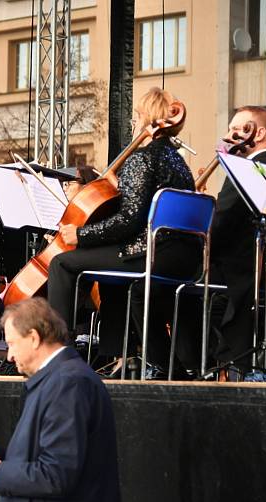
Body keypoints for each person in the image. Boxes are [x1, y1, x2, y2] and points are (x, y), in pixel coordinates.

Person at [47, 87, 199, 377]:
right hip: (184, 259)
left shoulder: (141, 158)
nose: (134, 124)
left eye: (137, 117)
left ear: (147, 119)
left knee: (62, 263)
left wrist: (81, 235)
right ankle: (121, 357)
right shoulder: (179, 163)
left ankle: (58, 356)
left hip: (150, 254)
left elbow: (128, 221)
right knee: (111, 275)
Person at [0, 298, 124, 502]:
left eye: (12, 344)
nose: (9, 356)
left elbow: (58, 474)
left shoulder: (68, 384)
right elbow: (48, 458)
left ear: (34, 338)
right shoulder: (61, 380)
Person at [207, 106, 266, 371]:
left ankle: (194, 363)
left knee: (180, 287)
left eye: (237, 129)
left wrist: (199, 250)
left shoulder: (247, 168)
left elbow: (221, 223)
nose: (229, 136)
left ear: (259, 133)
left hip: (242, 267)